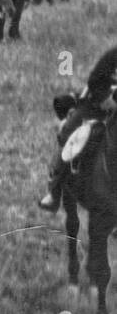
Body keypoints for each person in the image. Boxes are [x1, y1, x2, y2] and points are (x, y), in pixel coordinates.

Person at [39, 46, 117, 212]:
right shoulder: (112, 56)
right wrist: (106, 98)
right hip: (99, 106)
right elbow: (95, 81)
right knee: (70, 132)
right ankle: (54, 192)